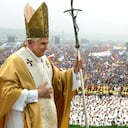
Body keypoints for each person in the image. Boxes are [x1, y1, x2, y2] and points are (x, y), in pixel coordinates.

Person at [0, 2, 84, 128]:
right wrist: (36, 94)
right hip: (22, 122)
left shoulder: (45, 60)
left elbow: (60, 81)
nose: (46, 48)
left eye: (47, 43)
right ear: (29, 42)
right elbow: (5, 93)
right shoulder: (15, 62)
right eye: (42, 44)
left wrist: (75, 72)